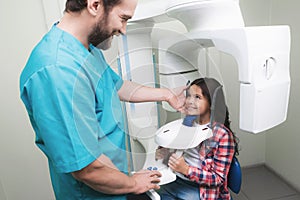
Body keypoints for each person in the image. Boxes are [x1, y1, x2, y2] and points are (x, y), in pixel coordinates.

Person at [19, 0, 187, 199]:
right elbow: (87, 169)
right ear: (95, 5)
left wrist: (166, 94)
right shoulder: (58, 72)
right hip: (92, 193)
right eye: (123, 18)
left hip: (114, 182)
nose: (123, 30)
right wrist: (133, 182)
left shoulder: (87, 48)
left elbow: (116, 86)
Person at [156, 77, 239, 200]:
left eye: (197, 97)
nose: (189, 101)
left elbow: (218, 179)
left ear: (212, 102)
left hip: (201, 189)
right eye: (189, 96)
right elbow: (182, 155)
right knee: (154, 193)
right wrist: (166, 155)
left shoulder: (222, 135)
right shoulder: (187, 123)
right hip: (178, 179)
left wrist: (186, 170)